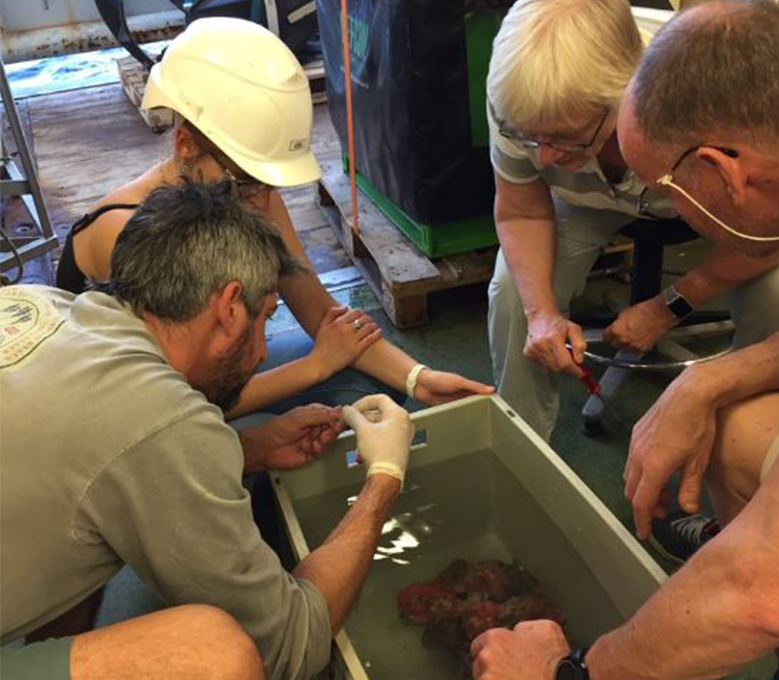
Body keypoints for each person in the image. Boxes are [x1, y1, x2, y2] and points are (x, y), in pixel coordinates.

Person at [0, 181, 415, 680]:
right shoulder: (154, 418)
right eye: (266, 321)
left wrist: (244, 448)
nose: (262, 349)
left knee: (85, 536)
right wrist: (383, 481)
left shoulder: (41, 305)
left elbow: (111, 460)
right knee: (211, 676)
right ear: (227, 309)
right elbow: (289, 647)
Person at [472, 1, 779, 680]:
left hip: (729, 222)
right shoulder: (530, 94)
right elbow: (521, 204)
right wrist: (707, 375)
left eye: (664, 189)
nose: (545, 152)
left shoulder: (693, 117)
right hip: (673, 205)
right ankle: (527, 468)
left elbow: (759, 590)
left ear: (720, 168)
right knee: (742, 431)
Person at [55, 17, 493, 423]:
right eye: (245, 182)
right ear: (185, 144)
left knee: (368, 390)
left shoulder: (247, 195)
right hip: (129, 409)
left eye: (268, 183)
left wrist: (420, 378)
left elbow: (322, 315)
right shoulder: (128, 234)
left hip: (200, 374)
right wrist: (315, 366)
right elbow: (173, 404)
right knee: (257, 437)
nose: (260, 199)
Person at [485, 0, 779, 442]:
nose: (544, 157)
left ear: (629, 94)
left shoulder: (703, 88)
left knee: (775, 293)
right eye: (530, 138)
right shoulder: (517, 95)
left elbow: (768, 231)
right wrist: (540, 312)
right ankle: (523, 451)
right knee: (514, 291)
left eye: (567, 136)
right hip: (585, 203)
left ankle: (747, 438)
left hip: (708, 200)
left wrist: (671, 306)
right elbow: (522, 207)